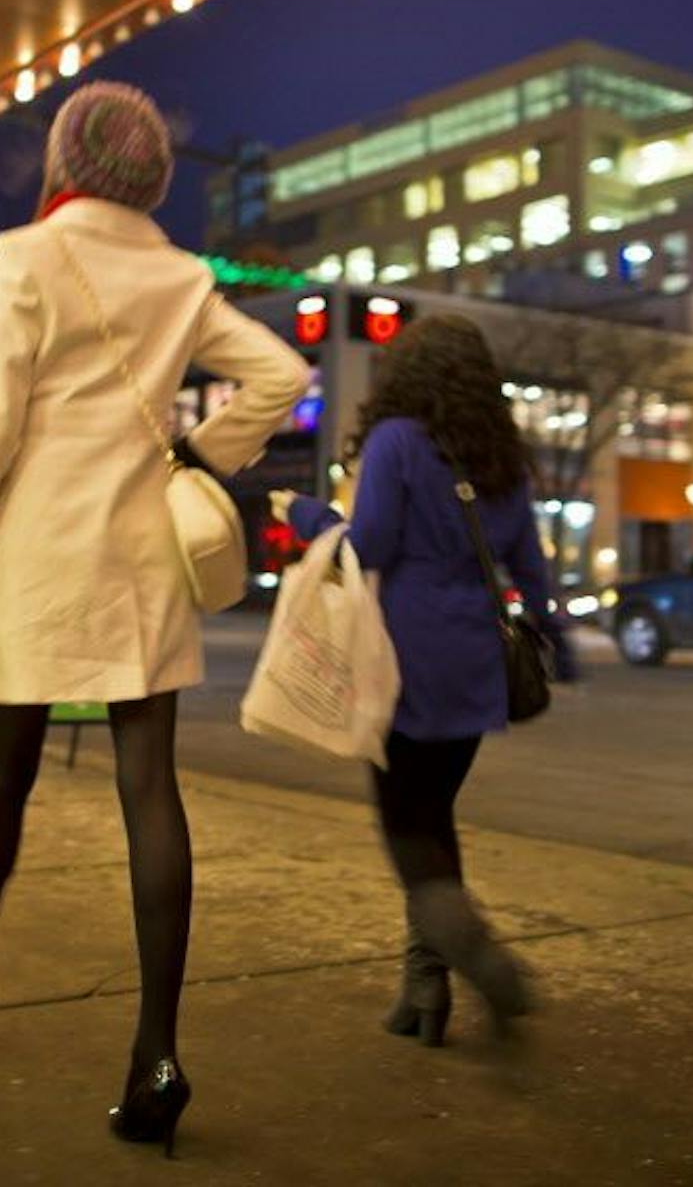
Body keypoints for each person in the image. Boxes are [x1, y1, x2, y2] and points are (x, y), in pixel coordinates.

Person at [0, 81, 308, 1156]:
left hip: (39, 556)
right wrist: (197, 455)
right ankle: (159, 1052)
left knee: (5, 775)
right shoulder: (183, 274)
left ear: (64, 164)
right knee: (150, 788)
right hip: (141, 559)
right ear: (153, 177)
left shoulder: (26, 254)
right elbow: (282, 373)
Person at [277, 314, 575, 1047]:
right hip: (475, 665)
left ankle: (479, 958)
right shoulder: (503, 454)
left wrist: (314, 516)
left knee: (410, 833)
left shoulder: (398, 441)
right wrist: (557, 638)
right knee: (435, 821)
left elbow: (370, 542)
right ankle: (423, 988)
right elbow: (530, 569)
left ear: (406, 372)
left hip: (402, 659)